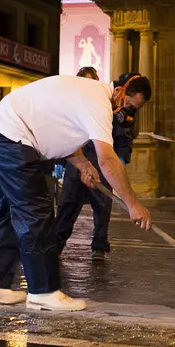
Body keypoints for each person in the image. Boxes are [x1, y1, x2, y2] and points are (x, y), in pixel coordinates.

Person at [0, 71, 152, 312]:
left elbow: (58, 131)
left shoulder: (87, 94)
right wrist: (133, 203)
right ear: (118, 92)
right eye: (128, 106)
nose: (127, 114)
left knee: (12, 208)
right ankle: (43, 292)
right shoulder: (98, 102)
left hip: (2, 132)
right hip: (10, 136)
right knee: (36, 210)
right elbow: (107, 160)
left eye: (133, 110)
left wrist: (83, 164)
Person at [55, 69, 149, 263]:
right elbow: (63, 134)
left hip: (104, 167)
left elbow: (122, 140)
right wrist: (60, 160)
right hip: (77, 164)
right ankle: (54, 247)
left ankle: (99, 247)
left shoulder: (114, 111)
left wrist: (121, 159)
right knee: (67, 207)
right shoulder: (78, 104)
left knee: (102, 208)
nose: (129, 109)